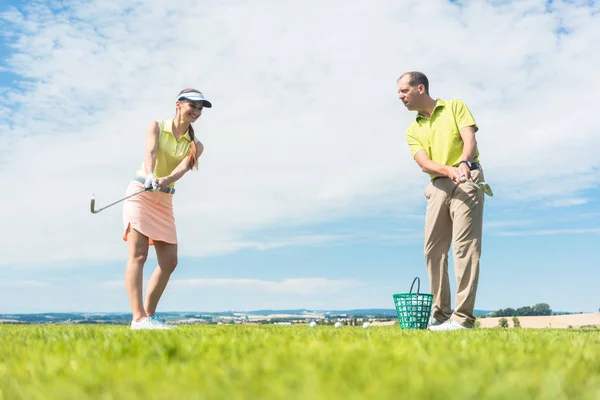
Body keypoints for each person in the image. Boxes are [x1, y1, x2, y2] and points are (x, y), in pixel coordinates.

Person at [397, 71, 487, 331]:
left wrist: (463, 164)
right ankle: (440, 313)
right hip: (439, 183)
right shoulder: (413, 129)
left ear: (420, 88)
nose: (401, 97)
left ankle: (462, 319)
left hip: (467, 177)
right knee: (433, 250)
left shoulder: (454, 106)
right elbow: (424, 163)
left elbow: (469, 138)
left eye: (404, 91)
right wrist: (448, 170)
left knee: (464, 248)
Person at [121, 88, 211, 330]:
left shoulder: (196, 145)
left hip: (164, 199)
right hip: (140, 193)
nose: (197, 111)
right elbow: (150, 151)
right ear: (178, 105)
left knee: (170, 261)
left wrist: (165, 180)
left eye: (200, 108)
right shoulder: (157, 126)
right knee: (138, 255)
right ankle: (137, 318)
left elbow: (181, 169)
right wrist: (151, 175)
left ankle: (148, 316)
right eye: (193, 105)